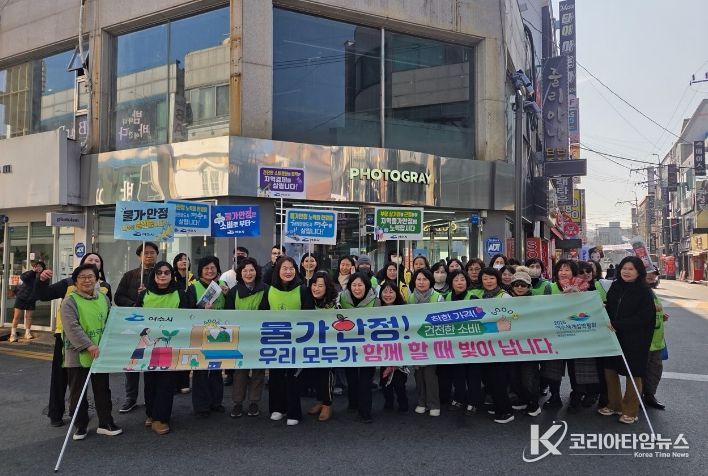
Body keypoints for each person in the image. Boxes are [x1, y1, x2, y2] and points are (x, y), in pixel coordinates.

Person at [34, 253, 111, 427]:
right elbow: (43, 294)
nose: (93, 262)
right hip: (67, 338)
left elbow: (108, 313)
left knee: (99, 384)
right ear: (81, 265)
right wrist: (42, 280)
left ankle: (102, 420)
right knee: (62, 379)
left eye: (97, 260)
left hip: (96, 340)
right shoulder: (68, 284)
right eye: (90, 260)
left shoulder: (105, 287)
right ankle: (56, 414)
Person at [61, 264, 122, 440]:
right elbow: (72, 327)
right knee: (77, 392)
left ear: (96, 279)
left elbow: (111, 321)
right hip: (78, 354)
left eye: (91, 277)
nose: (87, 280)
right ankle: (80, 425)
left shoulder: (103, 298)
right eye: (82, 277)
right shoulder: (69, 301)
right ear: (75, 281)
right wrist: (89, 346)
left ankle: (106, 422)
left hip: (100, 353)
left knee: (102, 389)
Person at [137, 261, 195, 435]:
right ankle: (151, 413)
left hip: (170, 346)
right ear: (154, 275)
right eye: (159, 273)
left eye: (166, 272)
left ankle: (161, 418)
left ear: (172, 275)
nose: (162, 275)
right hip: (149, 347)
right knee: (150, 382)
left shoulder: (180, 293)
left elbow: (187, 318)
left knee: (166, 383)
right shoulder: (144, 294)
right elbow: (136, 316)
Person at [599, 256, 655, 424]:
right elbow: (610, 306)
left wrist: (619, 324)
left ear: (639, 272)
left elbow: (644, 318)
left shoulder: (644, 291)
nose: (626, 272)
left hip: (636, 338)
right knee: (610, 368)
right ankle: (614, 404)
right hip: (614, 335)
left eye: (631, 269)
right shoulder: (615, 286)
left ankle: (630, 410)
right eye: (624, 268)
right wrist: (603, 308)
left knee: (634, 373)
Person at [259, 256, 314, 426]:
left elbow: (309, 314)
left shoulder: (302, 289)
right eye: (284, 268)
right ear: (278, 271)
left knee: (292, 377)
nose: (288, 272)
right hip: (275, 339)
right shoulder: (269, 290)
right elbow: (261, 313)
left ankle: (293, 412)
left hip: (296, 341)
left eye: (291, 268)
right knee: (275, 375)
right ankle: (277, 408)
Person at [114, 242, 159, 414]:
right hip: (134, 325)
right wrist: (134, 304)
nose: (149, 255)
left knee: (151, 363)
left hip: (155, 324)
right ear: (139, 256)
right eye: (146, 253)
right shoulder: (130, 275)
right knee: (132, 362)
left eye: (152, 252)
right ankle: (131, 398)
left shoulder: (162, 274)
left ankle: (151, 397)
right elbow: (118, 297)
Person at [225, 257, 268, 419]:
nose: (248, 273)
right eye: (245, 271)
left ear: (257, 272)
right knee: (239, 372)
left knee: (258, 371)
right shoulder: (233, 292)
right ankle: (237, 403)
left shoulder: (266, 290)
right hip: (240, 339)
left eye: (251, 270)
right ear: (240, 273)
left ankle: (254, 401)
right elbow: (228, 316)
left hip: (259, 337)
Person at [191, 256, 229, 417]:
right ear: (200, 270)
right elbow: (188, 311)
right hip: (200, 333)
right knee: (200, 370)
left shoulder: (223, 285)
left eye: (213, 268)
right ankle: (201, 406)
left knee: (216, 369)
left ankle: (216, 402)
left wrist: (227, 295)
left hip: (219, 333)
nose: (210, 271)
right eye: (206, 268)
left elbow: (230, 308)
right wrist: (202, 310)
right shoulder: (193, 288)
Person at [339, 272, 380, 423]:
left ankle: (365, 412)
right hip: (348, 346)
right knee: (351, 378)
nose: (357, 289)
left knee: (365, 380)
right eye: (354, 285)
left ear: (366, 286)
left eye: (360, 285)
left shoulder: (375, 301)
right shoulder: (341, 299)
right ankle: (353, 403)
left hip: (368, 347)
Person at [478, 267, 514, 423]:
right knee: (489, 378)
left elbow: (509, 323)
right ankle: (498, 405)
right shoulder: (480, 296)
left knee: (498, 379)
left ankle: (506, 411)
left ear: (497, 280)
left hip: (501, 345)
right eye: (485, 278)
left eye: (492, 278)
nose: (488, 281)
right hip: (485, 345)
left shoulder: (505, 297)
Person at [445, 270, 483, 417]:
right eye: (456, 280)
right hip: (454, 344)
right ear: (451, 283)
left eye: (462, 280)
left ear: (467, 282)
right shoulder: (446, 297)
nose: (459, 283)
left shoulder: (473, 297)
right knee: (458, 373)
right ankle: (458, 398)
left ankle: (473, 402)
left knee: (473, 374)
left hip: (472, 343)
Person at [542, 259, 579, 408]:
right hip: (554, 333)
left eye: (567, 270)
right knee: (553, 367)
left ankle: (576, 395)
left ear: (573, 273)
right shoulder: (550, 287)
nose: (563, 273)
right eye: (560, 270)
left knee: (575, 367)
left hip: (576, 334)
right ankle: (555, 395)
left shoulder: (582, 287)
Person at [408, 269, 444, 417]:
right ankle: (421, 402)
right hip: (416, 341)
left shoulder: (438, 297)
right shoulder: (410, 297)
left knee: (430, 374)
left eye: (424, 279)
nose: (421, 282)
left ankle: (433, 404)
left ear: (430, 281)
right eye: (418, 279)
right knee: (418, 373)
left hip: (432, 342)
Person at [507, 271, 542, 417]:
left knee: (529, 377)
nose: (520, 287)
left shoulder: (537, 302)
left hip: (530, 347)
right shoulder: (505, 302)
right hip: (511, 346)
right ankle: (521, 399)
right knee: (514, 376)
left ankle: (533, 403)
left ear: (529, 287)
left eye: (523, 285)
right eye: (516, 284)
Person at [306, 270, 339, 421]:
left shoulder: (334, 303)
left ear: (327, 287)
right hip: (312, 344)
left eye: (320, 286)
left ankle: (327, 404)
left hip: (329, 345)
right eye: (314, 285)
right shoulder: (308, 301)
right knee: (315, 374)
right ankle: (320, 400)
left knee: (327, 374)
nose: (316, 288)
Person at [378, 281, 409, 413]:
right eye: (385, 292)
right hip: (383, 352)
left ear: (397, 294)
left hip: (400, 351)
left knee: (399, 382)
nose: (388, 295)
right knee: (384, 380)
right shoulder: (375, 310)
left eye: (391, 292)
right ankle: (388, 402)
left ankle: (403, 403)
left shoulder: (404, 310)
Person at [643, 268, 667, 410]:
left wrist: (661, 316)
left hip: (657, 341)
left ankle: (650, 396)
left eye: (654, 274)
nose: (652, 276)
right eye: (649, 273)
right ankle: (637, 398)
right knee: (641, 371)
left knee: (655, 371)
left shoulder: (651, 292)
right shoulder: (639, 292)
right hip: (644, 341)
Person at [172, 252, 194, 394]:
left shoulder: (193, 279)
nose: (184, 261)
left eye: (186, 259)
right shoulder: (171, 277)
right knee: (174, 351)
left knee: (186, 350)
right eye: (180, 259)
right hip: (175, 318)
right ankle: (174, 383)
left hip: (189, 318)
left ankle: (184, 382)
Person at [9, 260, 46, 342]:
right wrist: (32, 272)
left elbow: (43, 287)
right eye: (37, 266)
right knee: (16, 317)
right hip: (21, 297)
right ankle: (13, 334)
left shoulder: (43, 277)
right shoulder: (30, 273)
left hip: (31, 299)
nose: (39, 268)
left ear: (43, 268)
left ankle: (27, 333)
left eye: (41, 266)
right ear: (34, 267)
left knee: (29, 317)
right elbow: (23, 278)